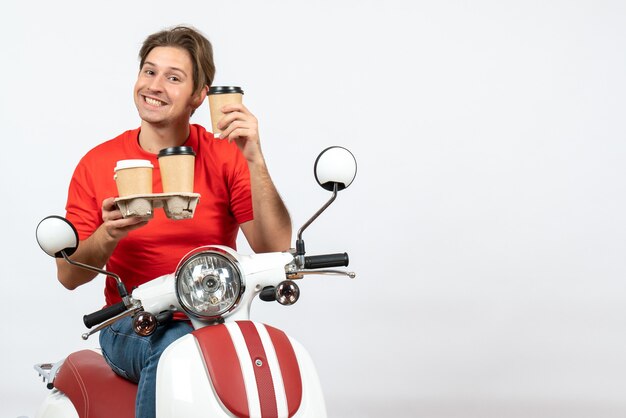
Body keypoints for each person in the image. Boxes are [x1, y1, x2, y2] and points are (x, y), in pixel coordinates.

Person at [55, 25, 292, 418]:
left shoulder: (226, 154)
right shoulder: (97, 163)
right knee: (177, 349)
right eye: (149, 71)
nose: (155, 85)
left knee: (267, 355)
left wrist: (255, 157)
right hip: (133, 324)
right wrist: (106, 235)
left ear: (201, 95)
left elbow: (274, 246)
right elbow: (68, 274)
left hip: (217, 318)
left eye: (173, 77)